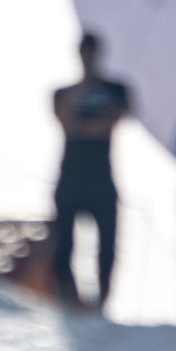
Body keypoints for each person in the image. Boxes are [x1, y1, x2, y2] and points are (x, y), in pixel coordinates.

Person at [51, 32, 135, 311]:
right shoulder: (63, 92)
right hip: (70, 175)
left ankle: (102, 300)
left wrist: (83, 125)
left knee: (108, 243)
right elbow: (66, 122)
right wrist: (86, 108)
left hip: (101, 177)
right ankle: (68, 297)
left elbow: (112, 123)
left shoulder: (117, 89)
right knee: (63, 242)